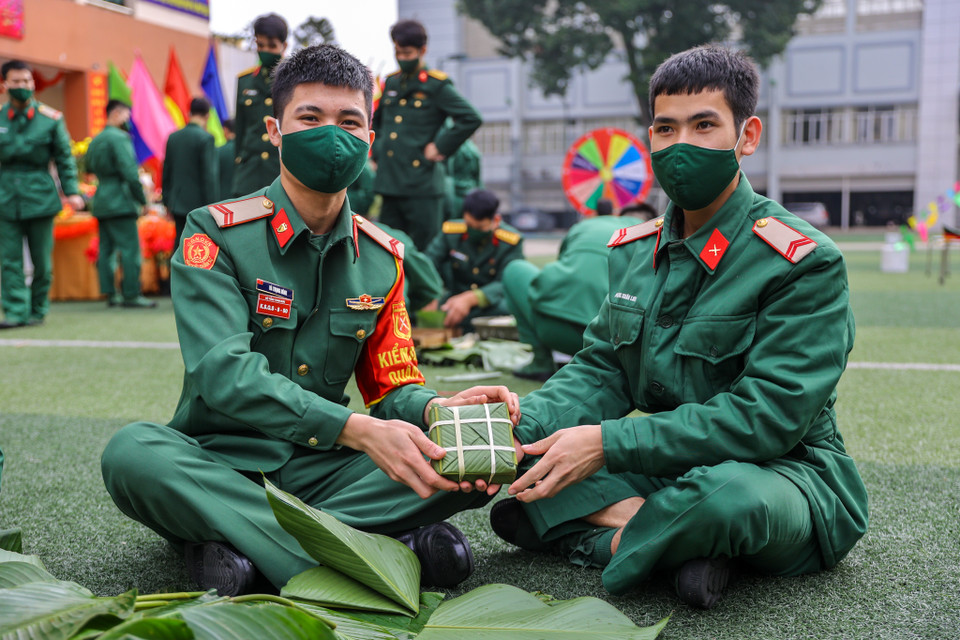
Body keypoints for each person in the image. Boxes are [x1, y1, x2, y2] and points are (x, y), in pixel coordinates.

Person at [101, 44, 519, 598]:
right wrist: (355, 429)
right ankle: (354, 552)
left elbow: (392, 388)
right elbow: (224, 375)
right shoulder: (216, 234)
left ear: (369, 140)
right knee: (132, 453)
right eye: (310, 117)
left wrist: (437, 409)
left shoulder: (382, 257)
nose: (331, 133)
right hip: (220, 461)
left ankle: (243, 548)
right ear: (275, 130)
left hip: (326, 469)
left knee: (474, 459)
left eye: (350, 121)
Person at [491, 45, 868, 609]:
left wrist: (610, 443)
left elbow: (769, 417)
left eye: (704, 124)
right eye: (666, 128)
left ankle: (619, 539)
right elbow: (600, 371)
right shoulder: (635, 251)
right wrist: (520, 426)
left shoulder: (802, 261)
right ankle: (676, 546)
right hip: (670, 470)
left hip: (785, 475)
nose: (681, 143)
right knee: (526, 475)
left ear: (747, 135)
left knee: (728, 499)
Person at [371, 19, 482, 250]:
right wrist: (377, 152)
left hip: (422, 184)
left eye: (407, 53)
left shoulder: (436, 85)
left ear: (423, 50)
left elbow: (470, 118)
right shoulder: (391, 82)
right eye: (398, 52)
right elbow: (378, 121)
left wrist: (440, 147)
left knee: (424, 252)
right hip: (391, 182)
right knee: (388, 251)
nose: (402, 58)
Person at [502, 198, 635, 381]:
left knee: (514, 269)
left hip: (552, 329)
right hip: (609, 344)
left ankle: (541, 362)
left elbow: (562, 267)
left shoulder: (582, 226)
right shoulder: (644, 231)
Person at [0, 59, 85, 329]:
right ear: (5, 85)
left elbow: (64, 158)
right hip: (4, 197)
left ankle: (37, 309)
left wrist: (72, 192)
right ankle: (15, 312)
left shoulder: (51, 119)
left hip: (40, 196)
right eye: (16, 82)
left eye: (27, 81)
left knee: (42, 262)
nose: (23, 86)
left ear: (33, 83)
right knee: (9, 260)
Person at [85, 99, 155, 309]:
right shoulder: (120, 138)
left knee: (106, 249)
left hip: (102, 199)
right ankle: (131, 294)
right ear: (116, 114)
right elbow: (130, 173)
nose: (128, 120)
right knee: (130, 250)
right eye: (126, 115)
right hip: (121, 200)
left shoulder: (96, 140)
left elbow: (89, 167)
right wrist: (142, 200)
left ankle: (110, 294)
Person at [424, 188, 523, 331]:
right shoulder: (451, 232)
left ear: (496, 220)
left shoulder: (510, 241)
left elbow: (506, 282)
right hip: (453, 299)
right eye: (469, 226)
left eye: (480, 227)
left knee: (510, 311)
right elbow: (428, 263)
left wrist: (471, 298)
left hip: (489, 303)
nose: (473, 231)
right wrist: (429, 292)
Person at [231, 13, 287, 196]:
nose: (265, 50)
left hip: (280, 170)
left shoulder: (293, 82)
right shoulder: (245, 81)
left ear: (284, 46)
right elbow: (240, 130)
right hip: (249, 171)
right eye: (260, 45)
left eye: (272, 46)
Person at [163, 97, 218, 244]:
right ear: (207, 116)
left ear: (189, 113)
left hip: (177, 202)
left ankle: (174, 268)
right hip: (198, 204)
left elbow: (166, 171)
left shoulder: (173, 137)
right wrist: (212, 206)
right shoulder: (206, 138)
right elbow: (209, 176)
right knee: (198, 245)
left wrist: (166, 201)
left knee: (180, 242)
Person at [443, 134, 482, 221]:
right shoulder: (473, 149)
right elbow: (477, 178)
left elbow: (448, 174)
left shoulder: (450, 146)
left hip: (454, 194)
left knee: (452, 227)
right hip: (471, 193)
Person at [217, 118, 236, 205]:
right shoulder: (247, 150)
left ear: (225, 130)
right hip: (245, 199)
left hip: (222, 201)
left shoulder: (218, 151)